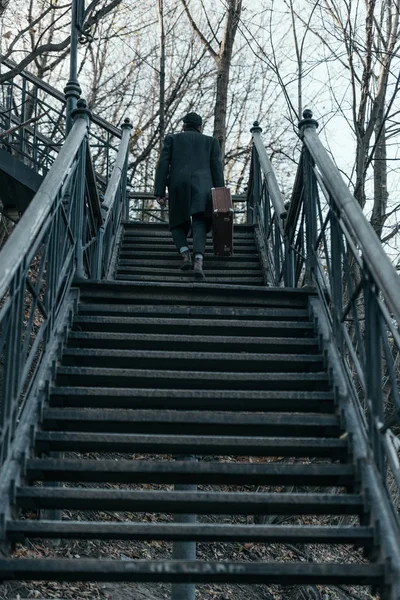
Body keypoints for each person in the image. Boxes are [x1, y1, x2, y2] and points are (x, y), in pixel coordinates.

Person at [154, 112, 225, 279]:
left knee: (177, 223)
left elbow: (163, 164)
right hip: (203, 187)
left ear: (183, 126)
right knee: (200, 222)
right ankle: (199, 260)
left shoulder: (172, 139)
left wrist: (160, 191)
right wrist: (220, 194)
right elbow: (217, 169)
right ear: (200, 127)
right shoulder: (211, 142)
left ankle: (185, 254)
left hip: (178, 185)